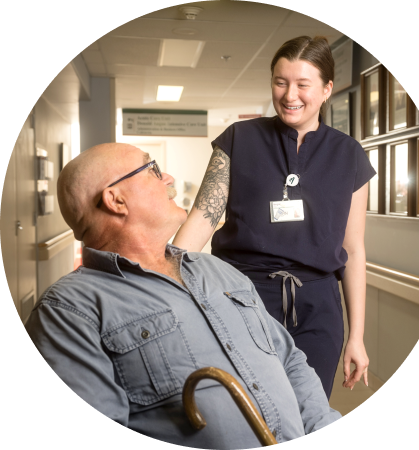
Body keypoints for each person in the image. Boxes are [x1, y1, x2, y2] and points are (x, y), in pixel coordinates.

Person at [25, 143, 342, 448]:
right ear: (115, 200)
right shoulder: (68, 310)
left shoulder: (216, 270)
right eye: (152, 169)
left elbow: (289, 359)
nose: (168, 178)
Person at [173, 36, 376, 399]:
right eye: (280, 82)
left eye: (302, 84)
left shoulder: (350, 155)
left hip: (318, 308)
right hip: (241, 297)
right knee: (243, 409)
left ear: (327, 89)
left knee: (306, 413)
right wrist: (163, 287)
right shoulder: (238, 138)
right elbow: (202, 218)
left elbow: (353, 250)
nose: (289, 95)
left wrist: (356, 337)